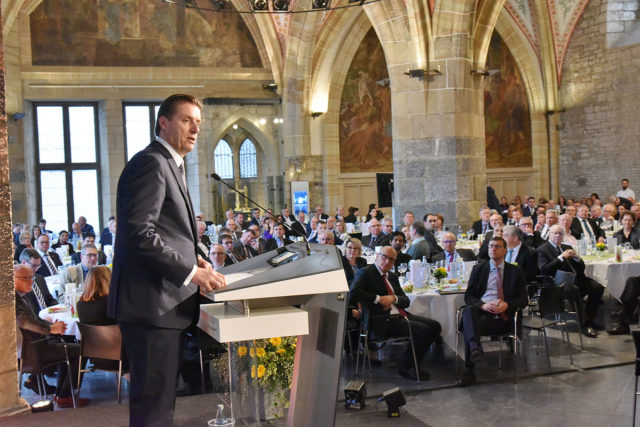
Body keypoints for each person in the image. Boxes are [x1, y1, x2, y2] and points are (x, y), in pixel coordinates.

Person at [108, 94, 226, 426]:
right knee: (153, 405)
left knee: (160, 403)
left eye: (198, 123)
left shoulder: (170, 163)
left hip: (161, 305)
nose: (195, 129)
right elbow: (139, 232)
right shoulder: (152, 162)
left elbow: (171, 230)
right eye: (187, 120)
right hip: (151, 304)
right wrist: (189, 272)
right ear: (164, 122)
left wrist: (198, 258)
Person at [350, 246, 442, 380]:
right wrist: (378, 299)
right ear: (377, 255)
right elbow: (354, 292)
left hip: (398, 315)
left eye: (391, 259)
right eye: (384, 257)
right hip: (380, 320)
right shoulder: (365, 273)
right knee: (424, 331)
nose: (387, 261)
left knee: (435, 326)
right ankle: (406, 367)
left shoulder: (391, 276)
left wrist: (393, 298)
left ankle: (415, 361)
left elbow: (405, 301)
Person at [15, 264, 88, 407]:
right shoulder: (15, 299)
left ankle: (61, 394)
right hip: (32, 352)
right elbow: (25, 321)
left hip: (37, 345)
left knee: (68, 347)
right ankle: (64, 395)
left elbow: (35, 319)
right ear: (13, 279)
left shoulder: (21, 296)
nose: (31, 281)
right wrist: (50, 330)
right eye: (26, 278)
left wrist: (52, 327)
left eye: (32, 277)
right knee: (81, 350)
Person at [458, 237, 528, 386]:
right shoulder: (479, 269)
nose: (493, 249)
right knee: (469, 312)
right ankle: (475, 349)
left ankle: (469, 366)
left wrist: (507, 305)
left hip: (504, 318)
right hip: (483, 311)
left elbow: (524, 300)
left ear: (505, 250)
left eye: (497, 246)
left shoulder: (515, 271)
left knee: (469, 324)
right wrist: (482, 305)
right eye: (491, 246)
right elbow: (468, 297)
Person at [536, 225, 604, 338]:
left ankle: (590, 318)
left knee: (597, 287)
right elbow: (544, 269)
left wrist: (577, 259)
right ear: (549, 234)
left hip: (574, 278)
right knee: (575, 290)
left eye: (560, 234)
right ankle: (584, 324)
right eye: (555, 233)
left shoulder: (566, 246)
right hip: (556, 282)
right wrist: (560, 257)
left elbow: (580, 268)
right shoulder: (542, 249)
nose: (558, 236)